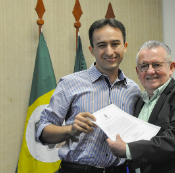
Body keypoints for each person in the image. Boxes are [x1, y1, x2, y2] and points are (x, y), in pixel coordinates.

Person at [35, 18, 141, 173]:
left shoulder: (134, 90)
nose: (109, 51)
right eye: (102, 45)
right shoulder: (69, 83)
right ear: (91, 50)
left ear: (124, 47)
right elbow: (42, 132)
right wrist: (70, 130)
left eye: (115, 44)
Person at [107, 40, 175, 173]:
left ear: (171, 67)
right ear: (138, 72)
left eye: (156, 65)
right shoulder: (138, 102)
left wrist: (128, 150)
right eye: (144, 66)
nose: (150, 71)